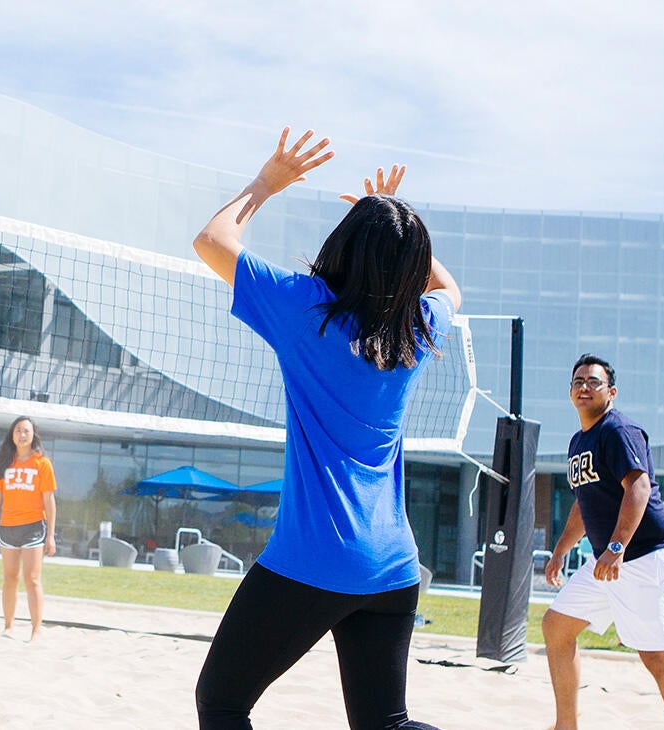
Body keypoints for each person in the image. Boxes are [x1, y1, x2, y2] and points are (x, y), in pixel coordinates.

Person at [189, 130, 458, 730]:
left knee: (222, 702)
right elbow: (450, 289)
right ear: (409, 268)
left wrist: (266, 184)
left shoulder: (305, 308)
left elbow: (212, 241)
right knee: (385, 724)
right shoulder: (418, 330)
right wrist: (404, 226)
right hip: (394, 566)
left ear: (343, 247)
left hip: (315, 557)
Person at [542, 355, 664, 730]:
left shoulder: (618, 430)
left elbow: (638, 487)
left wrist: (616, 547)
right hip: (609, 561)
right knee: (556, 626)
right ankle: (567, 725)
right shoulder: (579, 440)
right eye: (578, 380)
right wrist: (561, 551)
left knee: (658, 659)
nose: (584, 387)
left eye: (593, 382)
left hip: (645, 555)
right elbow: (584, 502)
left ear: (611, 392)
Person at [0, 416, 57, 641]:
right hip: (8, 528)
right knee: (10, 578)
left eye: (26, 430)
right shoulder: (4, 463)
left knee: (32, 579)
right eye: (18, 430)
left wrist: (51, 535)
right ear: (12, 435)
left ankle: (36, 630)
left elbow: (49, 501)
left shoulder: (42, 463)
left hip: (34, 527)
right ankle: (9, 626)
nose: (22, 434)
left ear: (33, 434)